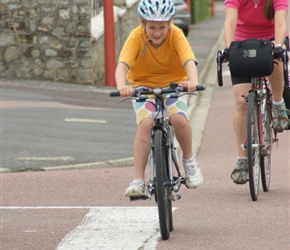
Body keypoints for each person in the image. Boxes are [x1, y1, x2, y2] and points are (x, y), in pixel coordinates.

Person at [115, 0, 203, 197]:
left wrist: (192, 82)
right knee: (145, 124)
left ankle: (189, 161)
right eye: (152, 27)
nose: (157, 32)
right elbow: (122, 65)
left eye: (162, 27)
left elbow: (189, 61)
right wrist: (122, 86)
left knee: (179, 119)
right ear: (143, 23)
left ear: (170, 23)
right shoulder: (135, 36)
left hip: (174, 86)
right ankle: (138, 180)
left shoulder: (176, 35)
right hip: (143, 88)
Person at [222, 0, 289, 184]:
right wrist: (229, 49)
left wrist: (279, 45)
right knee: (241, 103)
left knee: (277, 60)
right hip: (241, 45)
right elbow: (230, 21)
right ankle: (242, 159)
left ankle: (277, 105)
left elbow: (281, 22)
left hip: (271, 41)